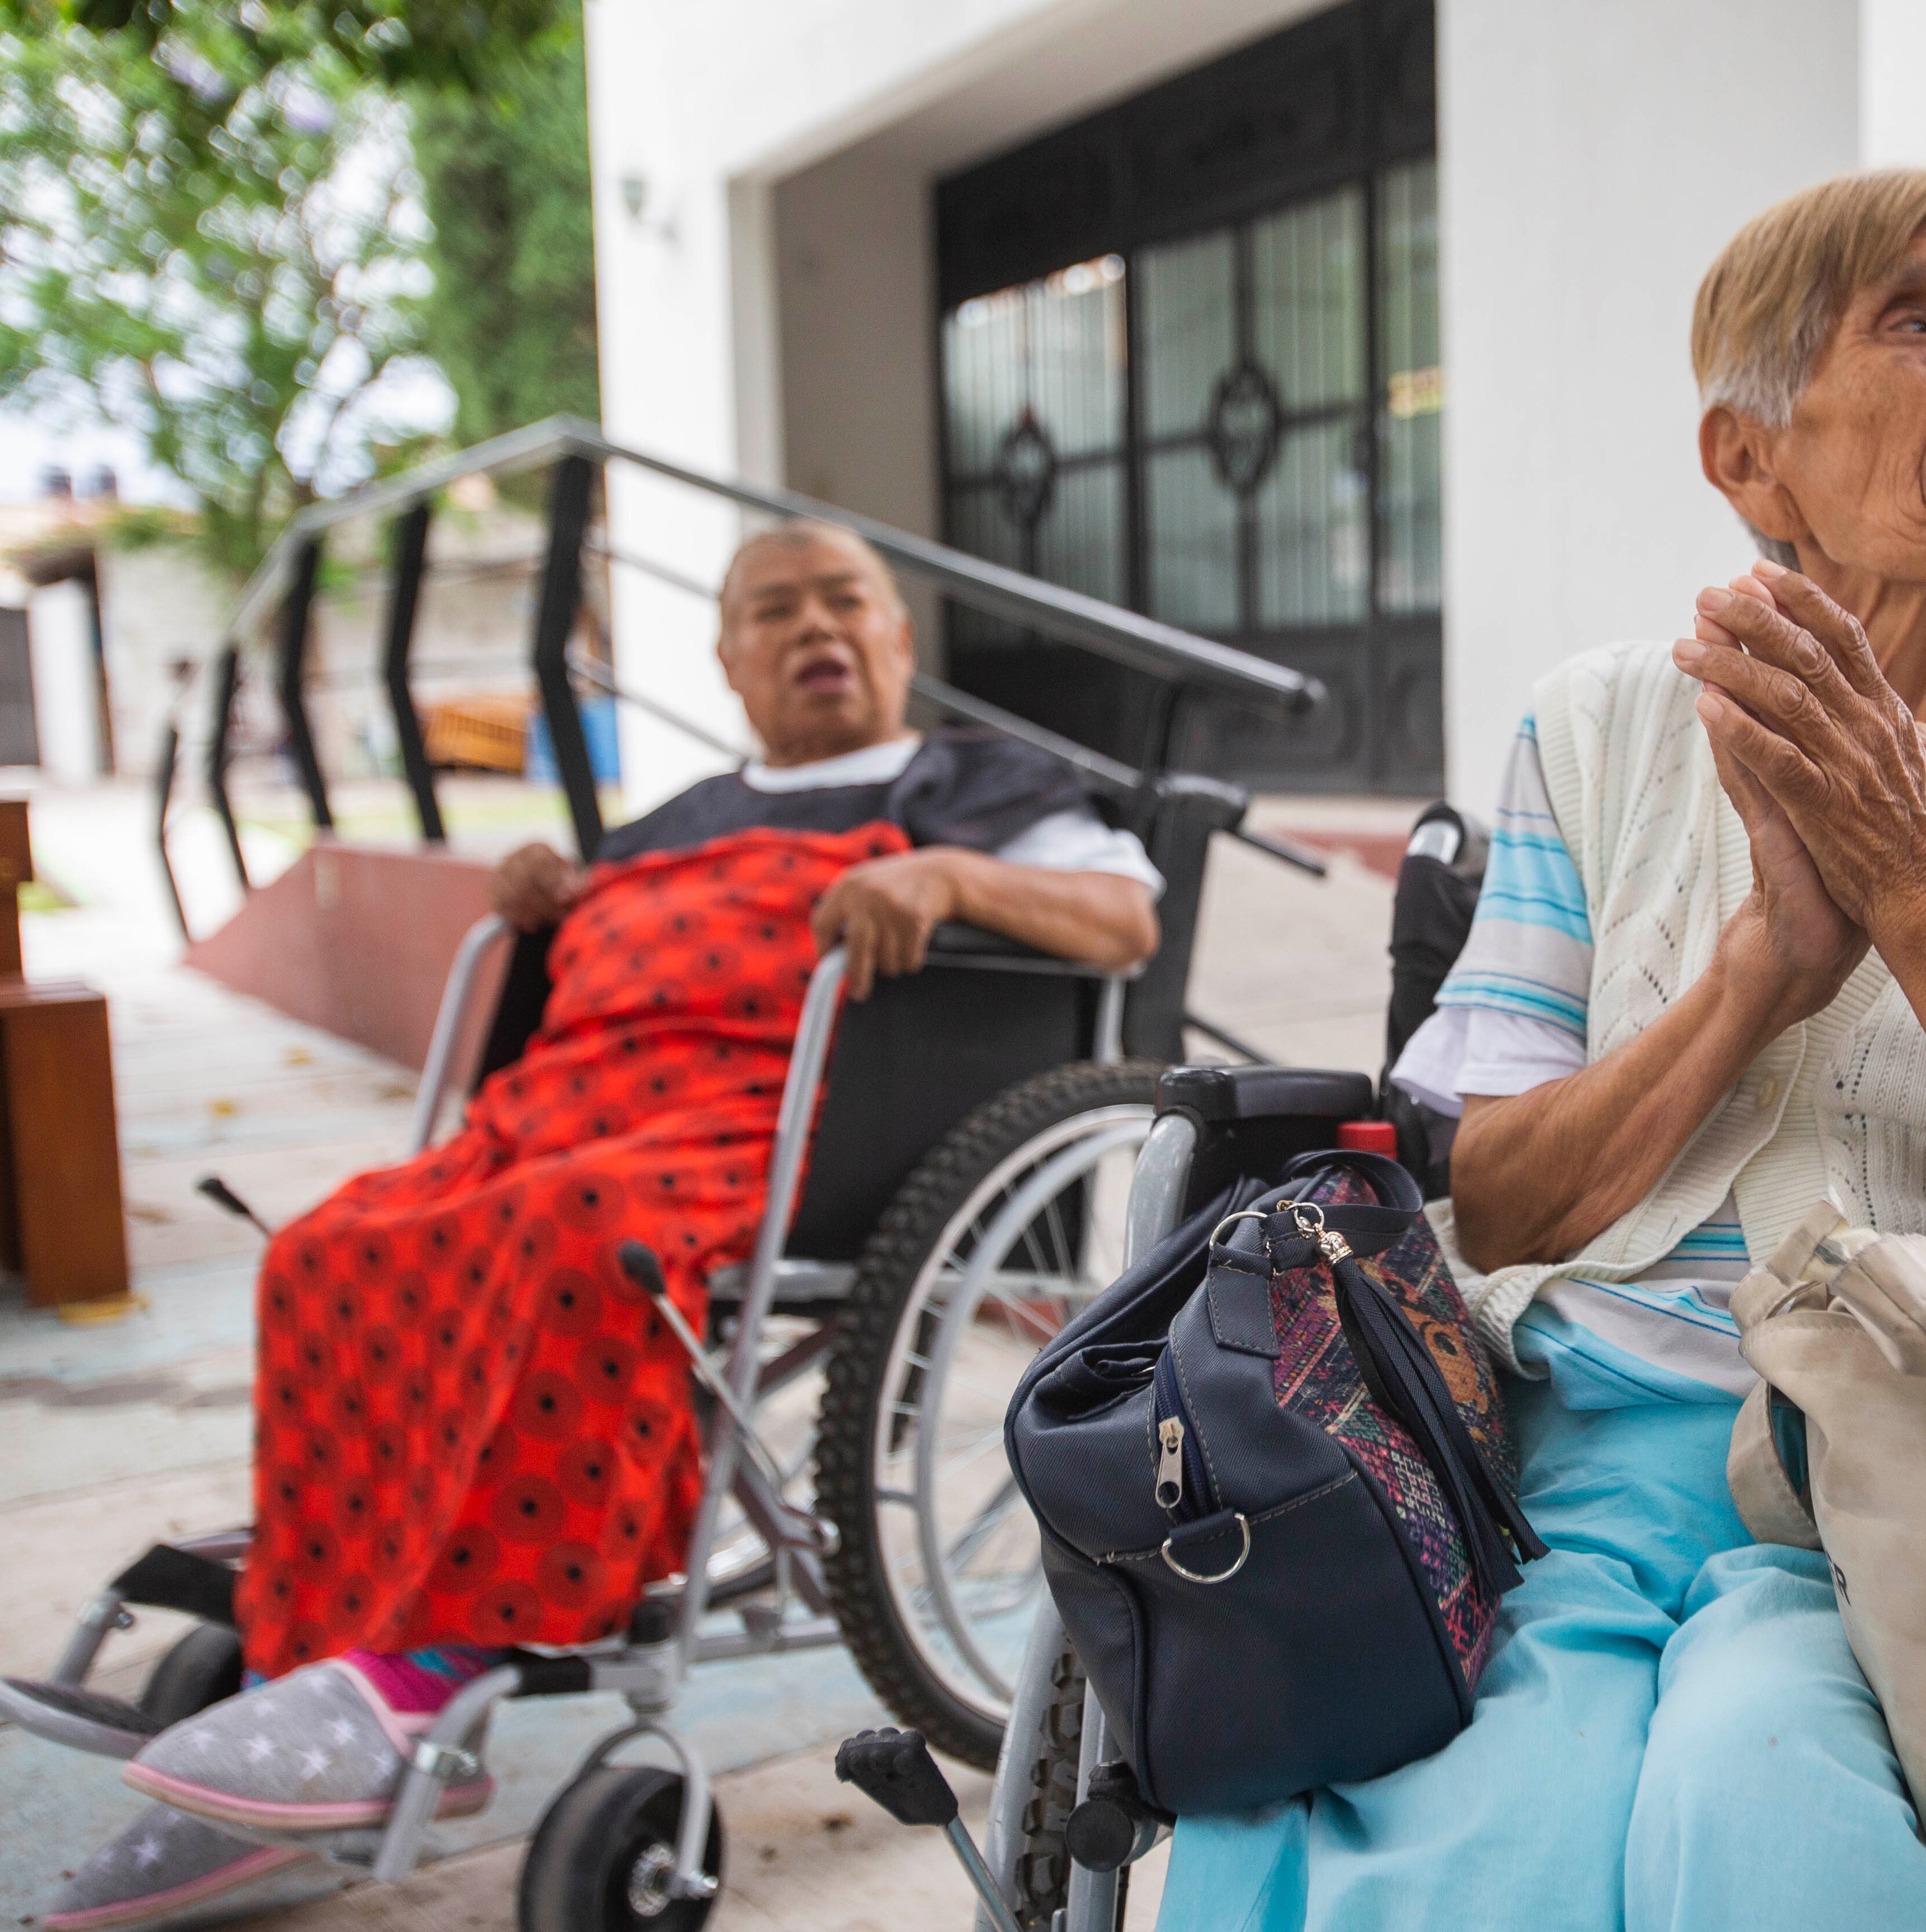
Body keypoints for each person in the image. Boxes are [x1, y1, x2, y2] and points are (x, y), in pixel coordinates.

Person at [1155, 169, 1926, 1932]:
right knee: (1474, 1843)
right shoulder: (1598, 731)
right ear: (1750, 462)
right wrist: (1760, 971)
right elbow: (1486, 1202)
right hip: (1570, 1461)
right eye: (1918, 321)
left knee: (1762, 1804)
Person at [49, 521, 1160, 1930]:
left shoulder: (976, 782)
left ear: (896, 637)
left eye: (847, 602)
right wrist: (546, 901)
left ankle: (430, 1663)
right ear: (726, 659)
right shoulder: (672, 814)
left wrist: (946, 877)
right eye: (776, 608)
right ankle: (312, 1638)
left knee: (580, 1231)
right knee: (334, 1242)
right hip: (573, 1106)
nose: (815, 626)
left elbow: (1122, 917)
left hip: (769, 1126)